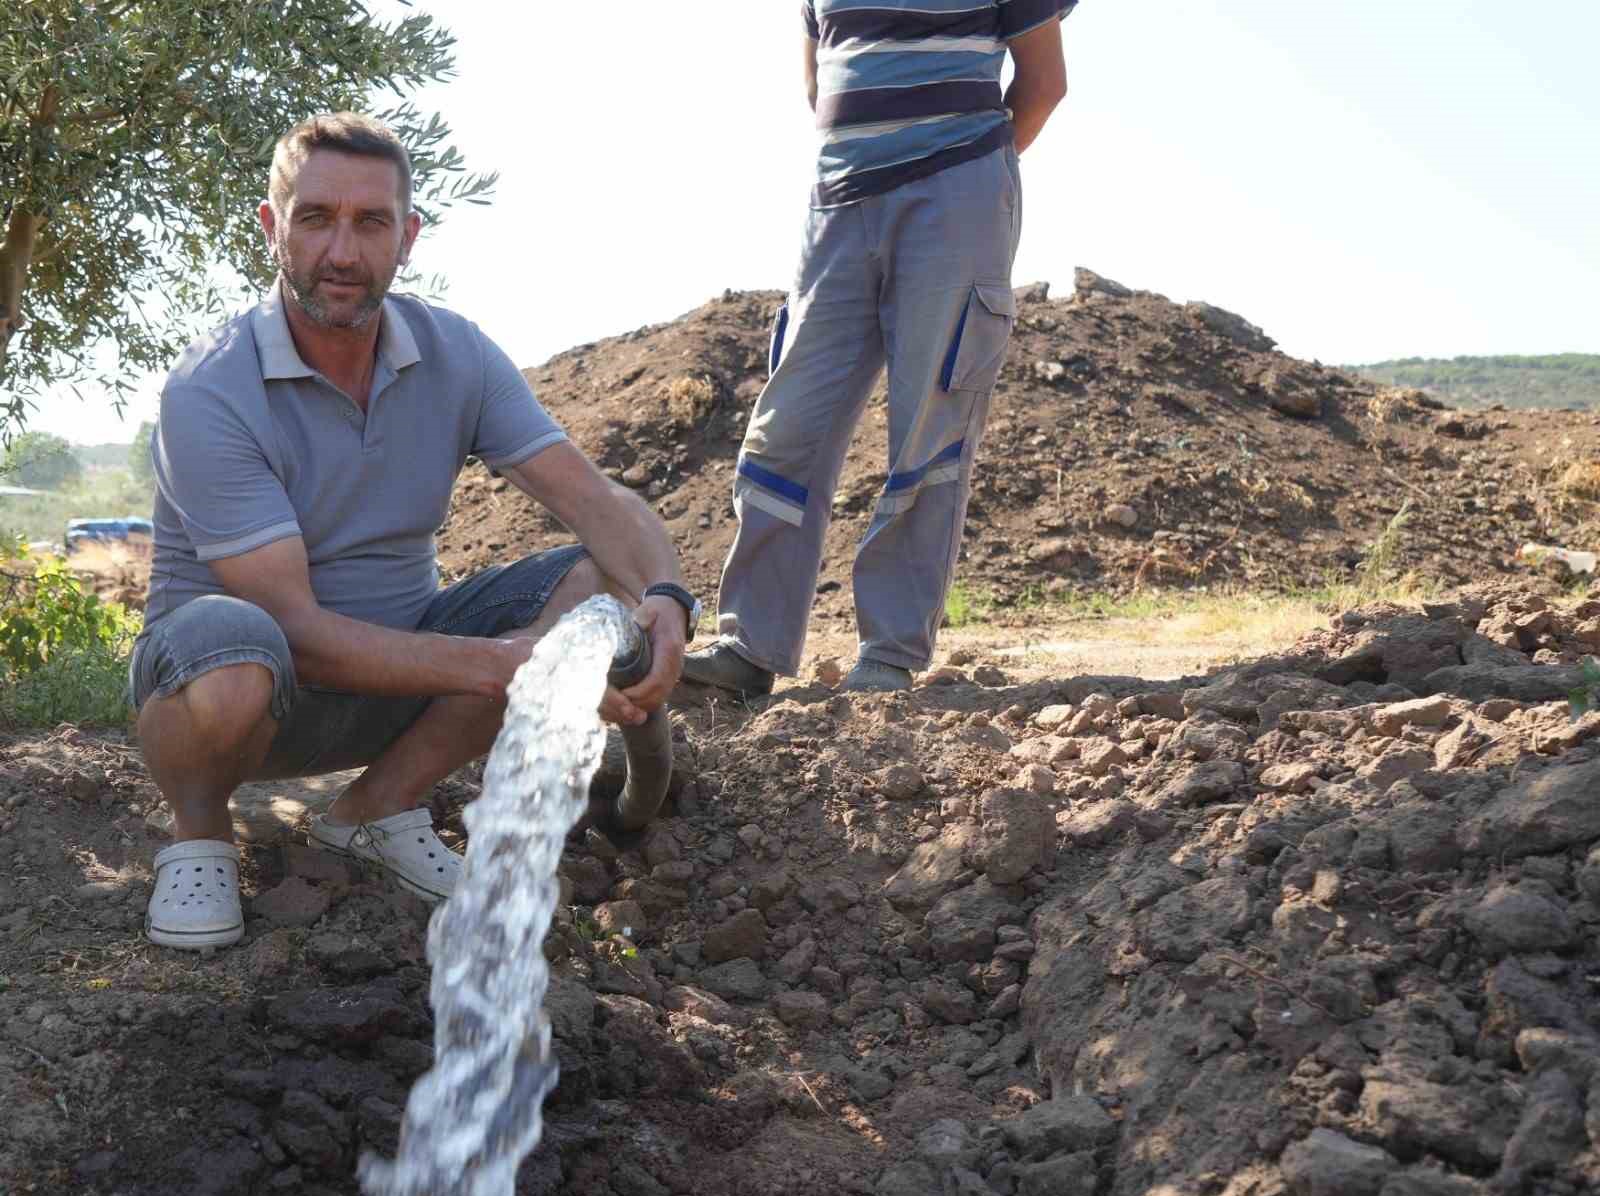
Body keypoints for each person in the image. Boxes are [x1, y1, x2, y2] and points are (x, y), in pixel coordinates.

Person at [130, 113, 702, 950]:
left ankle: (372, 811)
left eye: (372, 222)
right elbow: (297, 632)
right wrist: (507, 667)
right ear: (271, 227)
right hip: (234, 698)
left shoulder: (454, 353)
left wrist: (665, 599)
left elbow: (598, 504)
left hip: (398, 680)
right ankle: (199, 834)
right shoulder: (211, 390)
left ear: (409, 238)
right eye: (316, 218)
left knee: (597, 588)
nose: (342, 252)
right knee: (238, 645)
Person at [683, 0, 1074, 698]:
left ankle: (889, 656)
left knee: (930, 420)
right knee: (787, 423)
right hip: (836, 203)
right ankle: (748, 651)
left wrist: (962, 166)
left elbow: (1043, 84)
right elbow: (817, 84)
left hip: (955, 193)